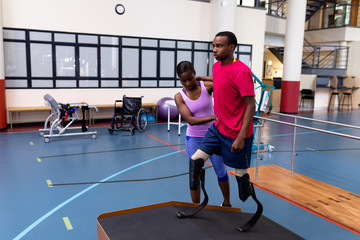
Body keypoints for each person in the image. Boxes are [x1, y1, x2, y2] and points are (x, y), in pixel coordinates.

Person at [189, 31, 256, 204]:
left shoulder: (242, 71)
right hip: (218, 127)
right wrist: (202, 78)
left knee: (241, 184)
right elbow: (221, 79)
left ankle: (246, 188)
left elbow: (251, 104)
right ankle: (197, 200)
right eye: (214, 46)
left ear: (231, 47)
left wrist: (241, 137)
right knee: (196, 161)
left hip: (237, 132)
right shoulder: (216, 67)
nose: (214, 50)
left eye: (219, 46)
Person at [174, 61, 231, 207]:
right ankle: (196, 207)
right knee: (195, 174)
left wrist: (202, 78)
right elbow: (190, 120)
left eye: (190, 78)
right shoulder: (179, 96)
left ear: (194, 74)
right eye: (183, 80)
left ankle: (227, 202)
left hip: (214, 136)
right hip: (194, 138)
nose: (187, 83)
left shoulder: (206, 86)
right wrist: (212, 117)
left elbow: (223, 80)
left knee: (221, 171)